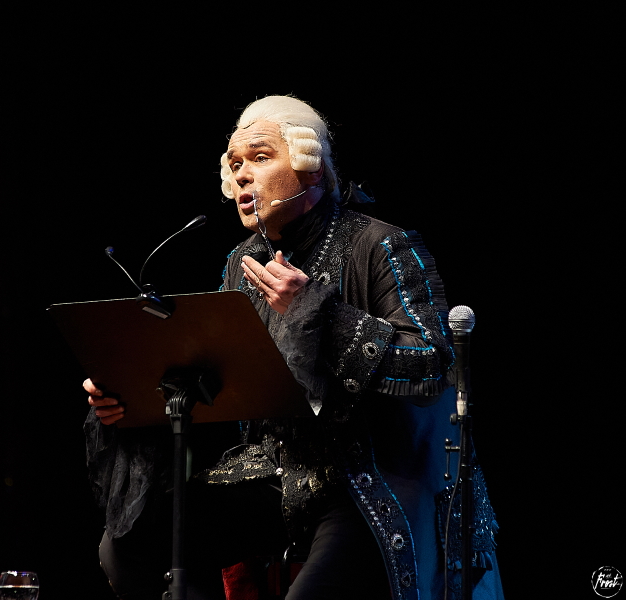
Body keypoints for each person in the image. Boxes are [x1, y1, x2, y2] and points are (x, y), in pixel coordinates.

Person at [83, 95, 505, 599]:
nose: (242, 175)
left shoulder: (379, 244)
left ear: (312, 169)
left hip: (365, 477)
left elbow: (432, 363)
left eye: (260, 158)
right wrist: (134, 400)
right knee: (128, 544)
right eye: (234, 164)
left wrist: (320, 312)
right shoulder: (241, 262)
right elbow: (223, 381)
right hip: (275, 473)